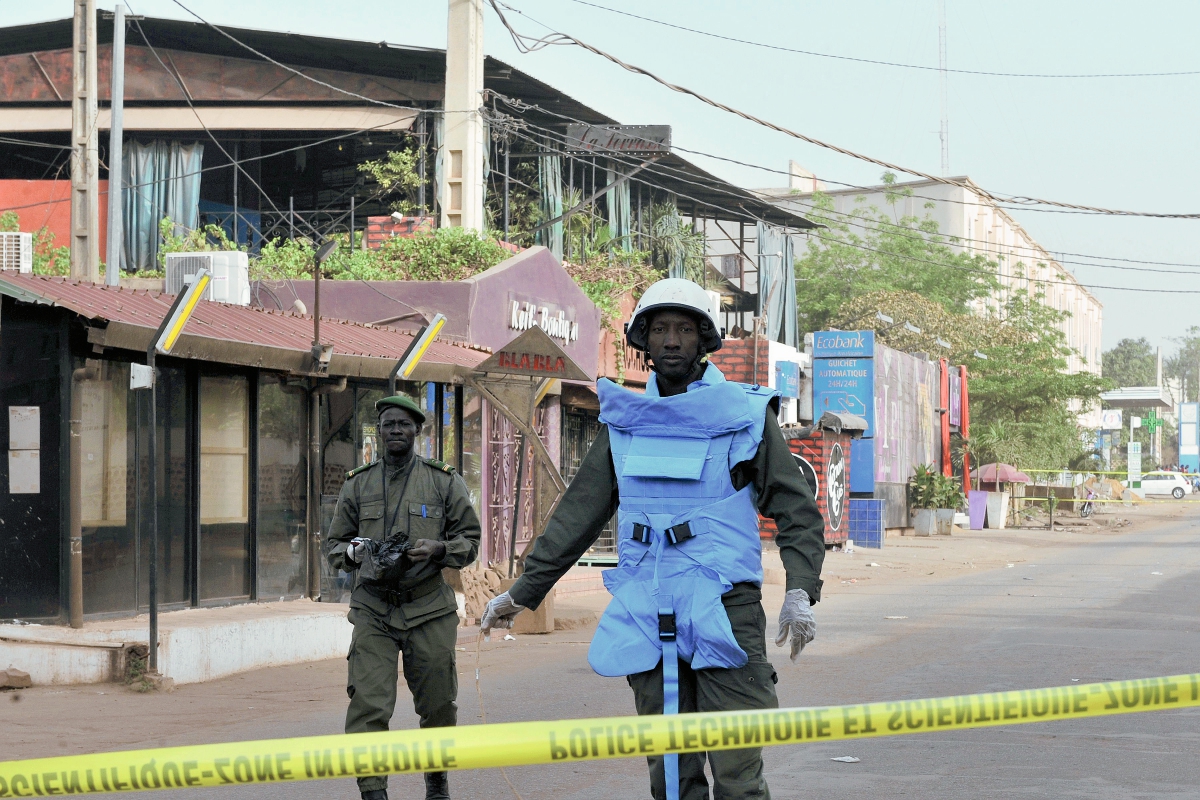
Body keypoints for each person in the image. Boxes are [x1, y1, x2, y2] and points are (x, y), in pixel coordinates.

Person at [482, 278, 826, 800]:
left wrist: (800, 590)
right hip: (648, 605)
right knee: (669, 775)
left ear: (704, 339)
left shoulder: (745, 415)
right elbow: (578, 514)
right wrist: (522, 592)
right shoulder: (626, 420)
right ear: (642, 340)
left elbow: (795, 510)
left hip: (725, 606)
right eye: (660, 329)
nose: (670, 341)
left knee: (737, 772)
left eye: (684, 329)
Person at [327, 395, 481, 800]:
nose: (396, 430)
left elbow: (470, 539)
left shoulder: (443, 480)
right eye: (389, 424)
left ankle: (437, 784)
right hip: (374, 608)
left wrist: (440, 550)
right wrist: (354, 553)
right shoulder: (357, 483)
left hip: (428, 606)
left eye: (404, 425)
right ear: (378, 432)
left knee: (438, 705)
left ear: (417, 432)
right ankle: (373, 792)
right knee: (368, 705)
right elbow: (333, 546)